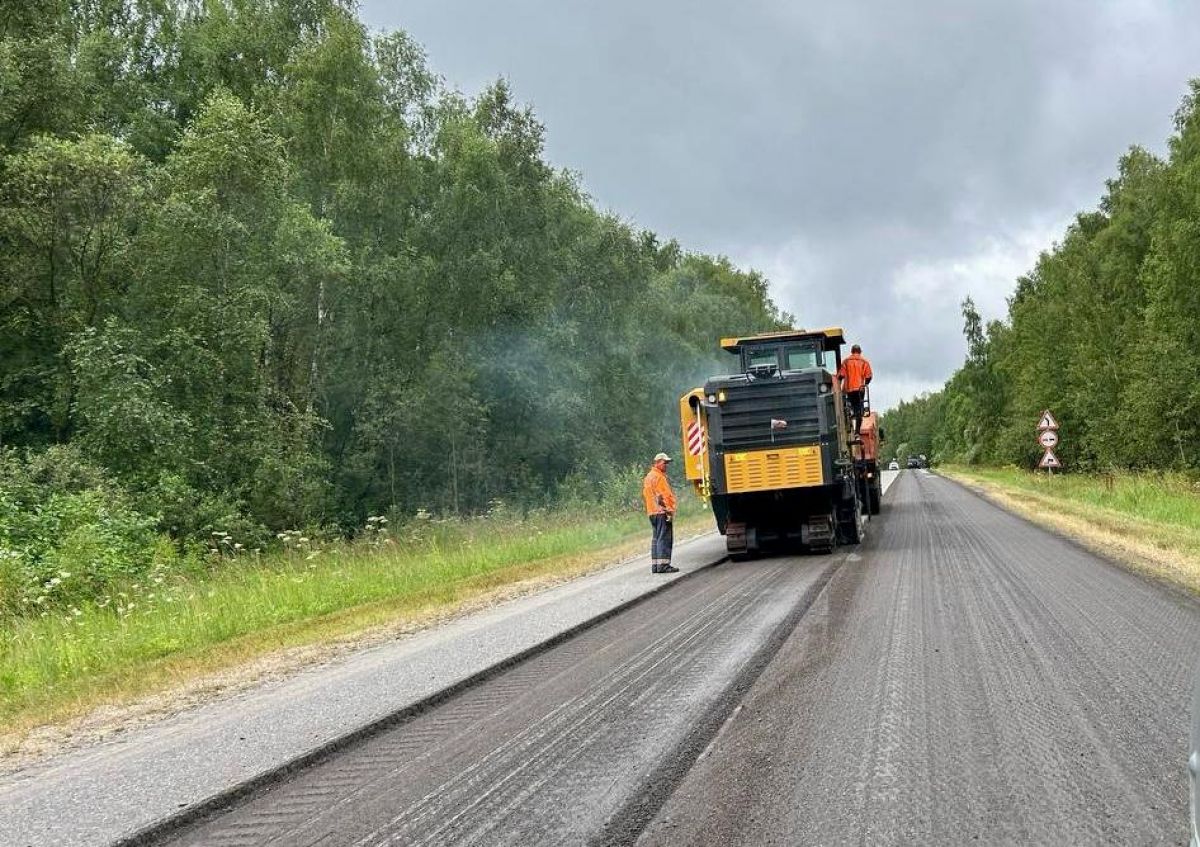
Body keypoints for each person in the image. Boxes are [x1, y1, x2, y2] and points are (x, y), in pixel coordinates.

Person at [642, 452, 678, 573]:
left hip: (652, 512)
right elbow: (663, 496)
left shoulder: (648, 477)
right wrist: (668, 510)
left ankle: (656, 565)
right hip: (662, 512)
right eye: (664, 463)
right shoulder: (659, 477)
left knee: (656, 538)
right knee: (664, 538)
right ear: (657, 463)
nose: (666, 465)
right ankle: (664, 565)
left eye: (667, 463)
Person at [837, 343, 873, 435]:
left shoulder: (846, 361)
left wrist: (838, 388)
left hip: (849, 390)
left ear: (851, 352)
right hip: (860, 389)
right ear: (860, 352)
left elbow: (840, 375)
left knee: (849, 405)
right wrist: (865, 384)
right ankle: (857, 432)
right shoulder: (864, 362)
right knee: (859, 411)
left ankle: (849, 412)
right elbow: (869, 376)